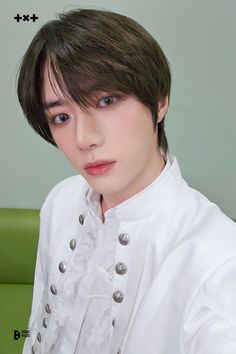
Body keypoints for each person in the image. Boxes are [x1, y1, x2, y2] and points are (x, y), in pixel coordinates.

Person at [17, 8, 236, 354]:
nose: (84, 138)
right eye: (61, 117)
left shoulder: (219, 262)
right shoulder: (60, 202)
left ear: (160, 100)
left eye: (107, 100)